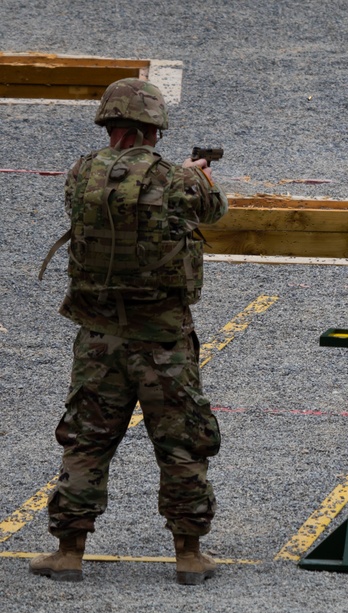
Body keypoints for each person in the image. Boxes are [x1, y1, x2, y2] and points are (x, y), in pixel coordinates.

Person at [33, 78, 228, 584]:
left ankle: (69, 552)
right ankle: (188, 555)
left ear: (108, 122)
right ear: (153, 127)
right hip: (163, 338)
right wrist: (196, 176)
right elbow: (215, 210)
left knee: (86, 439)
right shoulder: (178, 181)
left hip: (98, 336)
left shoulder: (81, 173)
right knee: (182, 441)